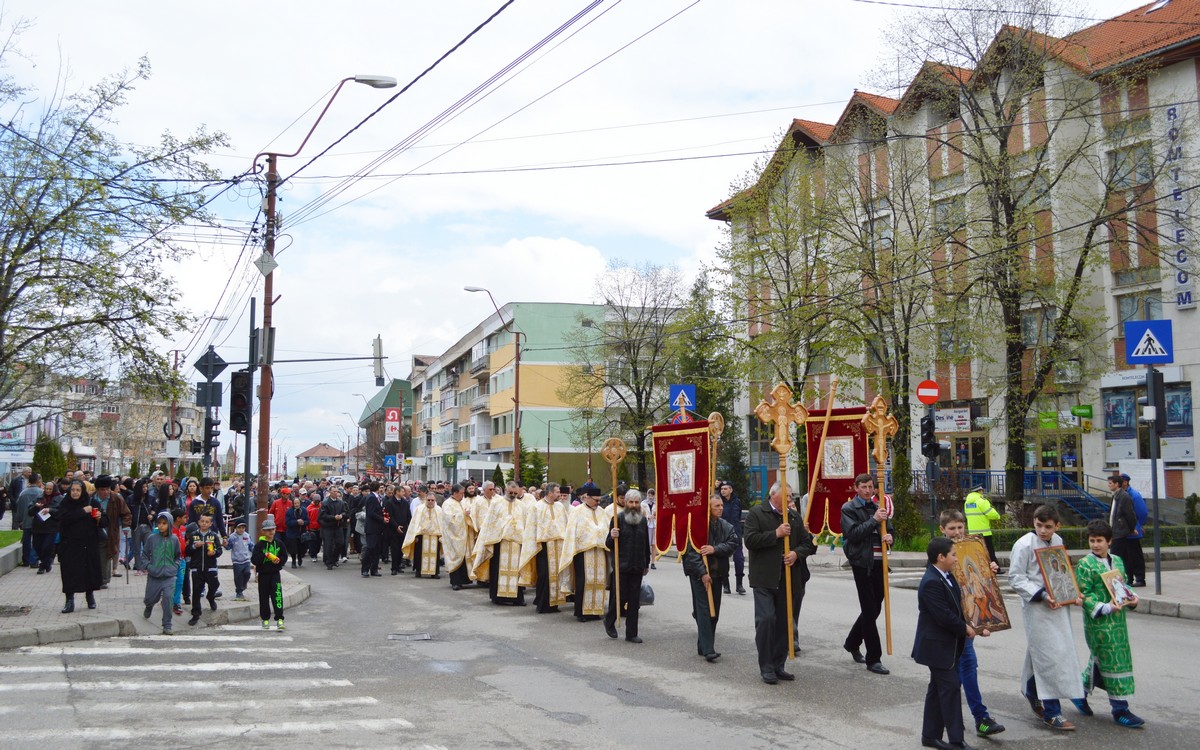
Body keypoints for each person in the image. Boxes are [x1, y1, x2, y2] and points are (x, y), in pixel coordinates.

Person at [1009, 504, 1084, 731]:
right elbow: (1016, 578)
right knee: (1049, 657)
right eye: (1039, 525)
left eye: (1048, 527)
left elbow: (1061, 572)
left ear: (1057, 526)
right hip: (1038, 608)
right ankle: (1052, 712)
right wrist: (1041, 595)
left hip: (1059, 607)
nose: (1042, 530)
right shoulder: (1023, 545)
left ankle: (1031, 690)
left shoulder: (1058, 540)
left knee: (1050, 654)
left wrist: (1073, 592)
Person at [937, 510, 1005, 738]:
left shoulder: (974, 548)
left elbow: (979, 584)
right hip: (951, 623)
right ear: (942, 530)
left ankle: (980, 718)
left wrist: (990, 571)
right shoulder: (940, 554)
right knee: (948, 677)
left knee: (967, 667)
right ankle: (948, 721)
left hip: (970, 620)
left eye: (960, 527)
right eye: (952, 529)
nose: (957, 532)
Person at [913, 536, 985, 750]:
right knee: (951, 687)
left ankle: (930, 736)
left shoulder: (947, 576)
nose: (956, 558)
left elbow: (960, 607)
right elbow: (943, 615)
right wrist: (965, 628)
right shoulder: (931, 582)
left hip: (948, 645)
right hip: (936, 648)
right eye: (953, 555)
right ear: (940, 557)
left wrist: (978, 625)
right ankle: (956, 740)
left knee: (937, 689)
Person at [1073, 519, 1145, 728]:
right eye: (1092, 540)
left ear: (1109, 541)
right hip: (1099, 622)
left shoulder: (1118, 561)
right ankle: (1120, 710)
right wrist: (1105, 607)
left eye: (1100, 541)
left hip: (1118, 622)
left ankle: (1079, 691)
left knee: (1101, 661)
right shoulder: (1086, 564)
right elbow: (1084, 594)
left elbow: (1123, 586)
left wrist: (1133, 598)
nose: (1095, 545)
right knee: (1112, 661)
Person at [745, 480, 816, 684]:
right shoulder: (757, 513)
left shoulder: (793, 516)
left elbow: (808, 544)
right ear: (773, 495)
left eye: (791, 496)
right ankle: (766, 666)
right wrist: (775, 534)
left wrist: (796, 554)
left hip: (788, 579)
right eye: (785, 496)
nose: (789, 499)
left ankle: (778, 665)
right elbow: (750, 540)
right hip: (764, 579)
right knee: (766, 621)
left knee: (784, 626)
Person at [841, 473, 892, 675]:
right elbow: (853, 534)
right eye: (864, 487)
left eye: (871, 486)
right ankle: (874, 658)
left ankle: (852, 642)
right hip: (862, 563)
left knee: (876, 607)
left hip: (880, 563)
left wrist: (890, 536)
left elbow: (890, 529)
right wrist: (873, 521)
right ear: (857, 488)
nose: (868, 490)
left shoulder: (878, 507)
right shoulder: (849, 509)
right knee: (869, 611)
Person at [683, 491, 738, 662]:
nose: (721, 508)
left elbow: (733, 543)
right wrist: (702, 573)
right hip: (699, 576)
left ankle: (703, 644)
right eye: (717, 506)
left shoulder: (725, 526)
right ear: (709, 508)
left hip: (717, 575)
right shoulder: (698, 527)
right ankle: (708, 649)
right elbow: (691, 554)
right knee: (705, 610)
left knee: (714, 612)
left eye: (721, 505)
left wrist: (715, 549)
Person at [604, 489, 651, 643]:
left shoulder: (643, 520)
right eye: (631, 502)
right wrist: (612, 536)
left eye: (636, 502)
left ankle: (631, 633)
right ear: (626, 503)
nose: (633, 505)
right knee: (619, 597)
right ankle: (609, 622)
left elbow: (646, 544)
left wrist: (646, 563)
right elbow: (608, 544)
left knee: (634, 601)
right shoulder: (617, 519)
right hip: (622, 566)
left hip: (637, 566)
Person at [51, 480, 104, 613]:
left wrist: (99, 518)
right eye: (73, 490)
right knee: (70, 572)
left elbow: (105, 521)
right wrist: (82, 511)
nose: (75, 492)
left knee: (89, 571)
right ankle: (69, 600)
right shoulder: (65, 503)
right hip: (70, 544)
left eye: (78, 490)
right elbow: (64, 518)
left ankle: (90, 597)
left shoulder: (92, 502)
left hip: (88, 544)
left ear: (82, 491)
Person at [472, 482, 529, 605]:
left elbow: (525, 524)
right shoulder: (496, 503)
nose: (512, 495)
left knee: (516, 571)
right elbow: (490, 523)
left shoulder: (522, 506)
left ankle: (516, 598)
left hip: (516, 543)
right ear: (505, 490)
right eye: (510, 492)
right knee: (498, 569)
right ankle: (497, 597)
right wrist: (503, 527)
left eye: (515, 493)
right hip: (500, 542)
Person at [560, 485, 609, 621]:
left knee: (599, 580)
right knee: (584, 582)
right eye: (596, 500)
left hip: (599, 551)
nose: (598, 503)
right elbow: (572, 532)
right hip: (583, 552)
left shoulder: (602, 512)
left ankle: (595, 611)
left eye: (600, 500)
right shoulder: (577, 511)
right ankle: (581, 612)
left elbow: (605, 528)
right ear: (587, 498)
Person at [520, 483, 569, 613]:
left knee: (557, 576)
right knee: (544, 576)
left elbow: (565, 524)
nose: (559, 494)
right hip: (544, 547)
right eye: (557, 492)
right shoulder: (537, 507)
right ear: (550, 492)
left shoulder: (560, 507)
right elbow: (531, 528)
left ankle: (554, 604)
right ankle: (542, 604)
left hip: (558, 545)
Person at [142, 511, 181, 635]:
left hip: (170, 576)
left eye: (164, 523)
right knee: (150, 598)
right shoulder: (152, 538)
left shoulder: (174, 539)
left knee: (168, 599)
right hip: (154, 575)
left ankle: (167, 625)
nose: (161, 526)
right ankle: (149, 606)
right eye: (159, 523)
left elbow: (178, 556)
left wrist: (175, 566)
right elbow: (145, 555)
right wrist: (149, 566)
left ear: (169, 524)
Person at [184, 512, 223, 626]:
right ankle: (196, 614)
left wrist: (214, 552)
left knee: (214, 585)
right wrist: (194, 546)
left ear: (210, 524)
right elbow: (187, 551)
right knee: (196, 592)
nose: (204, 523)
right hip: (197, 568)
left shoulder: (214, 536)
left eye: (207, 522)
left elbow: (220, 551)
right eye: (202, 521)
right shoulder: (193, 535)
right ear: (199, 522)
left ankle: (211, 597)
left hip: (210, 568)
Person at [251, 516, 288, 629]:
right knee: (264, 597)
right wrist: (264, 555)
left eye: (272, 529)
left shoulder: (279, 543)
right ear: (263, 531)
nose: (270, 532)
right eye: (267, 530)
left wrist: (279, 560)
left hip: (275, 574)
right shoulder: (259, 545)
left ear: (275, 530)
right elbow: (254, 560)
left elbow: (284, 556)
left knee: (277, 596)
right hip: (263, 575)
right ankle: (265, 619)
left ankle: (280, 619)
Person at [403, 491, 445, 578]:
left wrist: (441, 536)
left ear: (435, 500)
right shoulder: (420, 509)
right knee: (419, 554)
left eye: (432, 500)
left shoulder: (439, 510)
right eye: (428, 500)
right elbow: (415, 523)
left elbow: (442, 524)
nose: (430, 502)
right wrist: (416, 536)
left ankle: (435, 573)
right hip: (422, 535)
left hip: (435, 536)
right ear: (426, 500)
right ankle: (418, 571)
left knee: (435, 555)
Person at [1115, 474, 1147, 587]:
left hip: (1132, 531)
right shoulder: (1119, 495)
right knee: (1125, 556)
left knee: (1135, 555)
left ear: (1125, 482)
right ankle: (1129, 578)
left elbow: (1142, 512)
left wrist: (1138, 525)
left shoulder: (1134, 495)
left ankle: (1140, 578)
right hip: (1122, 532)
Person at [441, 484, 472, 589]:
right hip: (452, 536)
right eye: (461, 493)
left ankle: (463, 580)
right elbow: (449, 520)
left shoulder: (462, 502)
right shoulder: (447, 504)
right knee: (454, 557)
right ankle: (454, 582)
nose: (463, 495)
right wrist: (463, 514)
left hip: (463, 535)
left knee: (463, 557)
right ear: (454, 493)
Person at [719, 481, 746, 594]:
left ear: (731, 490)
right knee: (723, 561)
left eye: (725, 489)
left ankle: (739, 584)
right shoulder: (719, 502)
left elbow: (738, 516)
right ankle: (726, 585)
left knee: (739, 559)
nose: (723, 491)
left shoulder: (737, 502)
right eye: (722, 489)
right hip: (722, 534)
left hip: (736, 534)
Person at [963, 486, 1001, 567]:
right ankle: (996, 568)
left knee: (976, 551)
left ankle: (980, 568)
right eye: (982, 490)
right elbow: (991, 513)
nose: (983, 492)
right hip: (985, 532)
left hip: (972, 532)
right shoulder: (981, 501)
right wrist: (997, 516)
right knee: (990, 551)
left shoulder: (967, 503)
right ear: (979, 491)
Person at [14, 473, 44, 568]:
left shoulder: (23, 493)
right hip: (39, 521)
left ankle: (26, 560)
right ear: (38, 481)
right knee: (36, 540)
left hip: (26, 520)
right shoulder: (41, 492)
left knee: (26, 540)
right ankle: (34, 560)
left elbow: (19, 507)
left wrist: (19, 520)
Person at [30, 480, 60, 574]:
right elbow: (30, 512)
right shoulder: (39, 497)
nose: (48, 491)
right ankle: (47, 564)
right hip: (38, 527)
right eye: (46, 488)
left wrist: (50, 510)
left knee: (46, 547)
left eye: (50, 489)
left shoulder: (59, 498)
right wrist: (36, 507)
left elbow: (61, 512)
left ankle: (42, 566)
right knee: (37, 546)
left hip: (51, 528)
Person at [383, 484, 412, 575]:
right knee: (394, 549)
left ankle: (399, 565)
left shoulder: (405, 502)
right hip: (393, 529)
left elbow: (408, 515)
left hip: (404, 528)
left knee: (401, 549)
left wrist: (409, 525)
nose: (404, 493)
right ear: (397, 492)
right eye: (402, 491)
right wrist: (396, 526)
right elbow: (388, 516)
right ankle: (394, 568)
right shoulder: (389, 502)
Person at [360, 482, 386, 577]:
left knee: (377, 550)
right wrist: (382, 519)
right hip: (372, 527)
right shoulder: (371, 497)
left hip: (378, 528)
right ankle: (365, 569)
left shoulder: (377, 497)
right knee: (370, 548)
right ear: (378, 488)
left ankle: (374, 569)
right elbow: (371, 513)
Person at [319, 486, 348, 569]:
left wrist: (341, 516)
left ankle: (335, 559)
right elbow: (323, 515)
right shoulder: (325, 503)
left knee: (340, 543)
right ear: (330, 492)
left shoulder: (341, 502)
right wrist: (333, 517)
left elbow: (345, 512)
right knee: (328, 545)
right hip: (328, 526)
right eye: (334, 491)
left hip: (338, 526)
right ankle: (329, 562)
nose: (336, 493)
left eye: (337, 491)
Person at [225, 520, 253, 601]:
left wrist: (255, 551)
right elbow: (228, 547)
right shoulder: (232, 537)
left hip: (246, 559)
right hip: (237, 561)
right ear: (236, 528)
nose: (241, 529)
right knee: (238, 577)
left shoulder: (247, 536)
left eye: (243, 528)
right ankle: (239, 591)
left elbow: (251, 545)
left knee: (247, 573)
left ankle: (244, 585)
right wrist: (225, 545)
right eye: (239, 528)